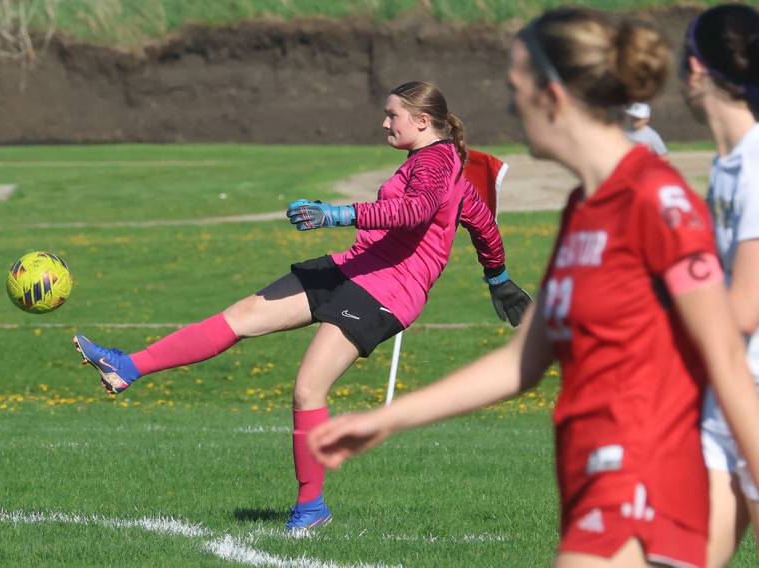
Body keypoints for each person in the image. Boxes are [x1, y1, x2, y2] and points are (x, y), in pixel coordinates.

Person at [308, 8, 759, 567]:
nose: (508, 106)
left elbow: (729, 366)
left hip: (644, 483)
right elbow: (524, 360)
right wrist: (388, 418)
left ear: (554, 96)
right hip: (591, 479)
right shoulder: (583, 209)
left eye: (515, 88)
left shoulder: (655, 201)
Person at [72, 80, 531, 531]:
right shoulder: (437, 163)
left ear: (423, 120)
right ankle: (127, 366)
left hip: (385, 292)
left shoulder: (435, 162)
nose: (384, 122)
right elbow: (482, 223)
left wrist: (337, 213)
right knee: (242, 317)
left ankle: (311, 509)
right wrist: (500, 279)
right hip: (354, 267)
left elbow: (415, 210)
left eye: (392, 114)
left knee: (308, 390)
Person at [679, 4, 759, 566]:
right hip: (728, 388)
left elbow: (746, 306)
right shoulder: (728, 162)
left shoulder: (756, 165)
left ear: (696, 68)